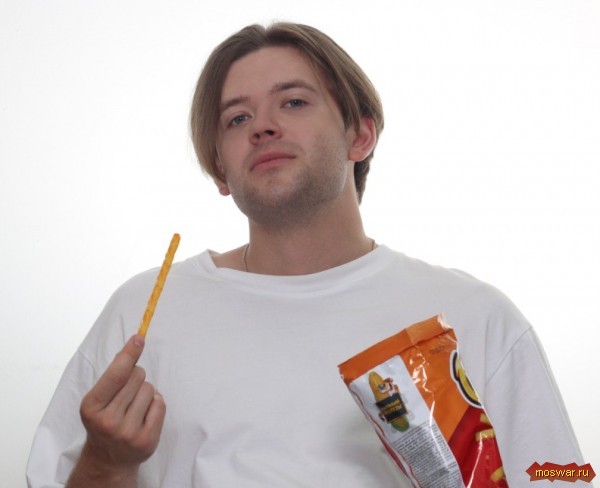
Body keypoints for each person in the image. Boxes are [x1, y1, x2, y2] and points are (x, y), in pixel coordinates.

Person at [27, 22, 585, 487]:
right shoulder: (144, 313)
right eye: (237, 118)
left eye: (293, 102)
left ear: (359, 135)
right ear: (220, 169)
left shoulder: (475, 316)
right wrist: (106, 464)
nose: (263, 127)